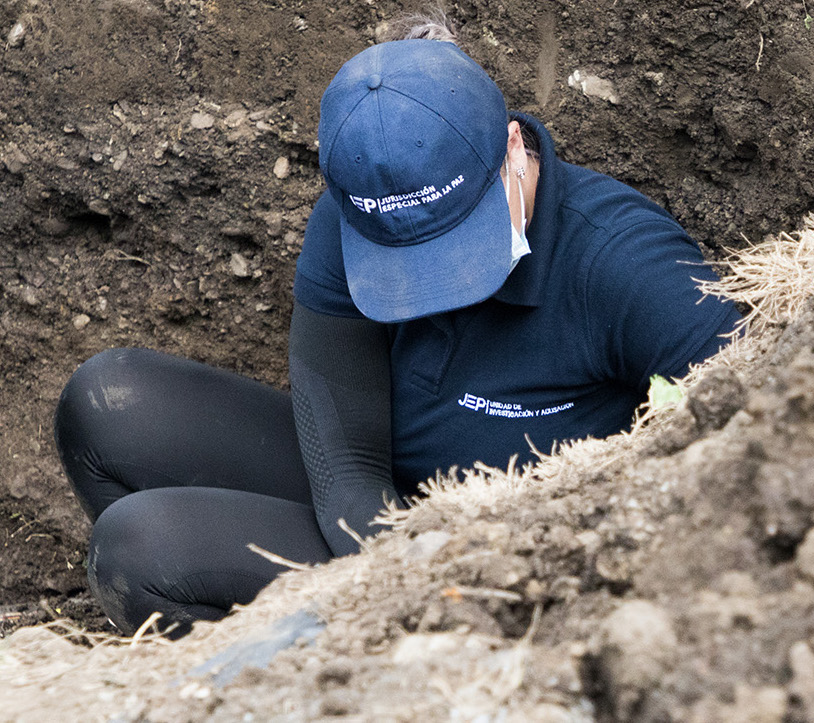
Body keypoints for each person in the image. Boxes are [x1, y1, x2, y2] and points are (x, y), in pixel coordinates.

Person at [53, 22, 739, 638]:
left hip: (522, 552)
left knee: (141, 551)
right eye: (402, 259)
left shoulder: (626, 268)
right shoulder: (356, 216)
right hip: (378, 515)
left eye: (453, 245)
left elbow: (749, 438)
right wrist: (403, 563)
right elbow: (346, 458)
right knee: (108, 403)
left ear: (509, 145)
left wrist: (470, 587)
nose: (431, 286)